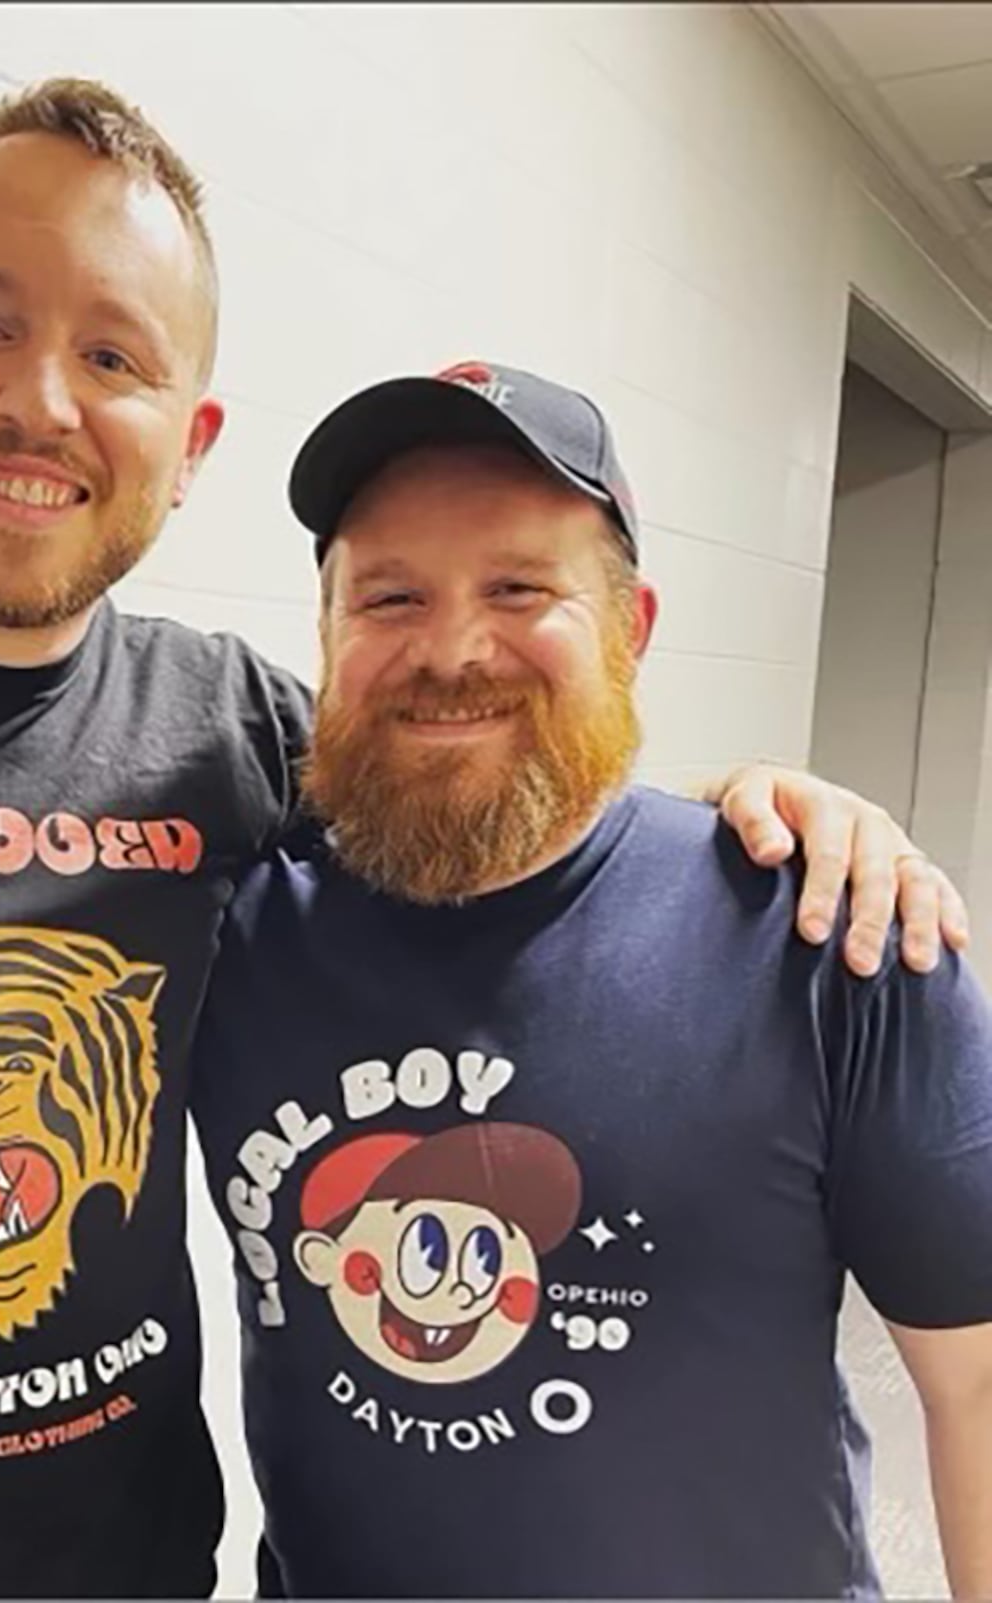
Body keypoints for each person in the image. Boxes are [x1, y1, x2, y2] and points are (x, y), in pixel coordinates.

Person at [0, 79, 966, 1602]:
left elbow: (496, 786)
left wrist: (772, 808)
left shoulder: (230, 725)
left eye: (114, 353)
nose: (41, 399)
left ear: (189, 438)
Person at [191, 358, 992, 1599]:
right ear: (328, 635)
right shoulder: (234, 932)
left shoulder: (831, 939)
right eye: (389, 596)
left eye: (519, 587)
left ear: (631, 627)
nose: (450, 648)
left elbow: (978, 1383)